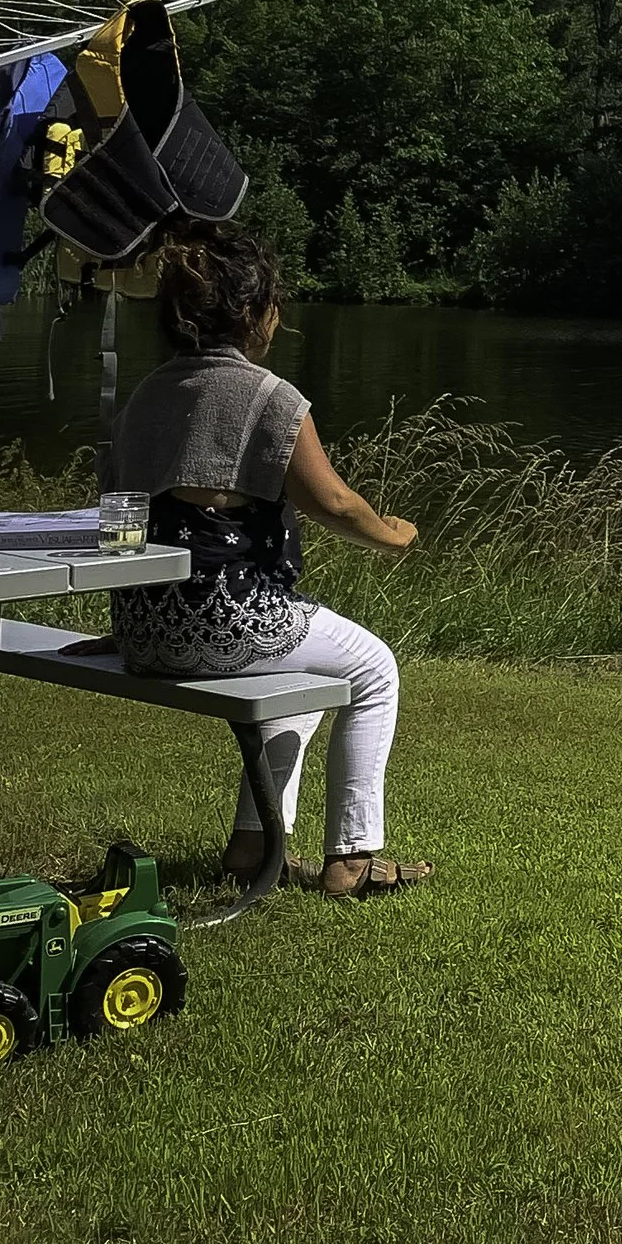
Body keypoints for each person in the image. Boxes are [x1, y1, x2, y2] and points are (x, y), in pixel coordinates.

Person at [104, 221, 431, 894]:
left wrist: (130, 618)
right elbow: (335, 503)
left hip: (144, 627)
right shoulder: (267, 396)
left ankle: (255, 847)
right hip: (226, 621)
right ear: (255, 315)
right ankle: (353, 858)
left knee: (297, 691)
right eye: (276, 305)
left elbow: (118, 523)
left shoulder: (146, 395)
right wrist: (395, 534)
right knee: (374, 668)